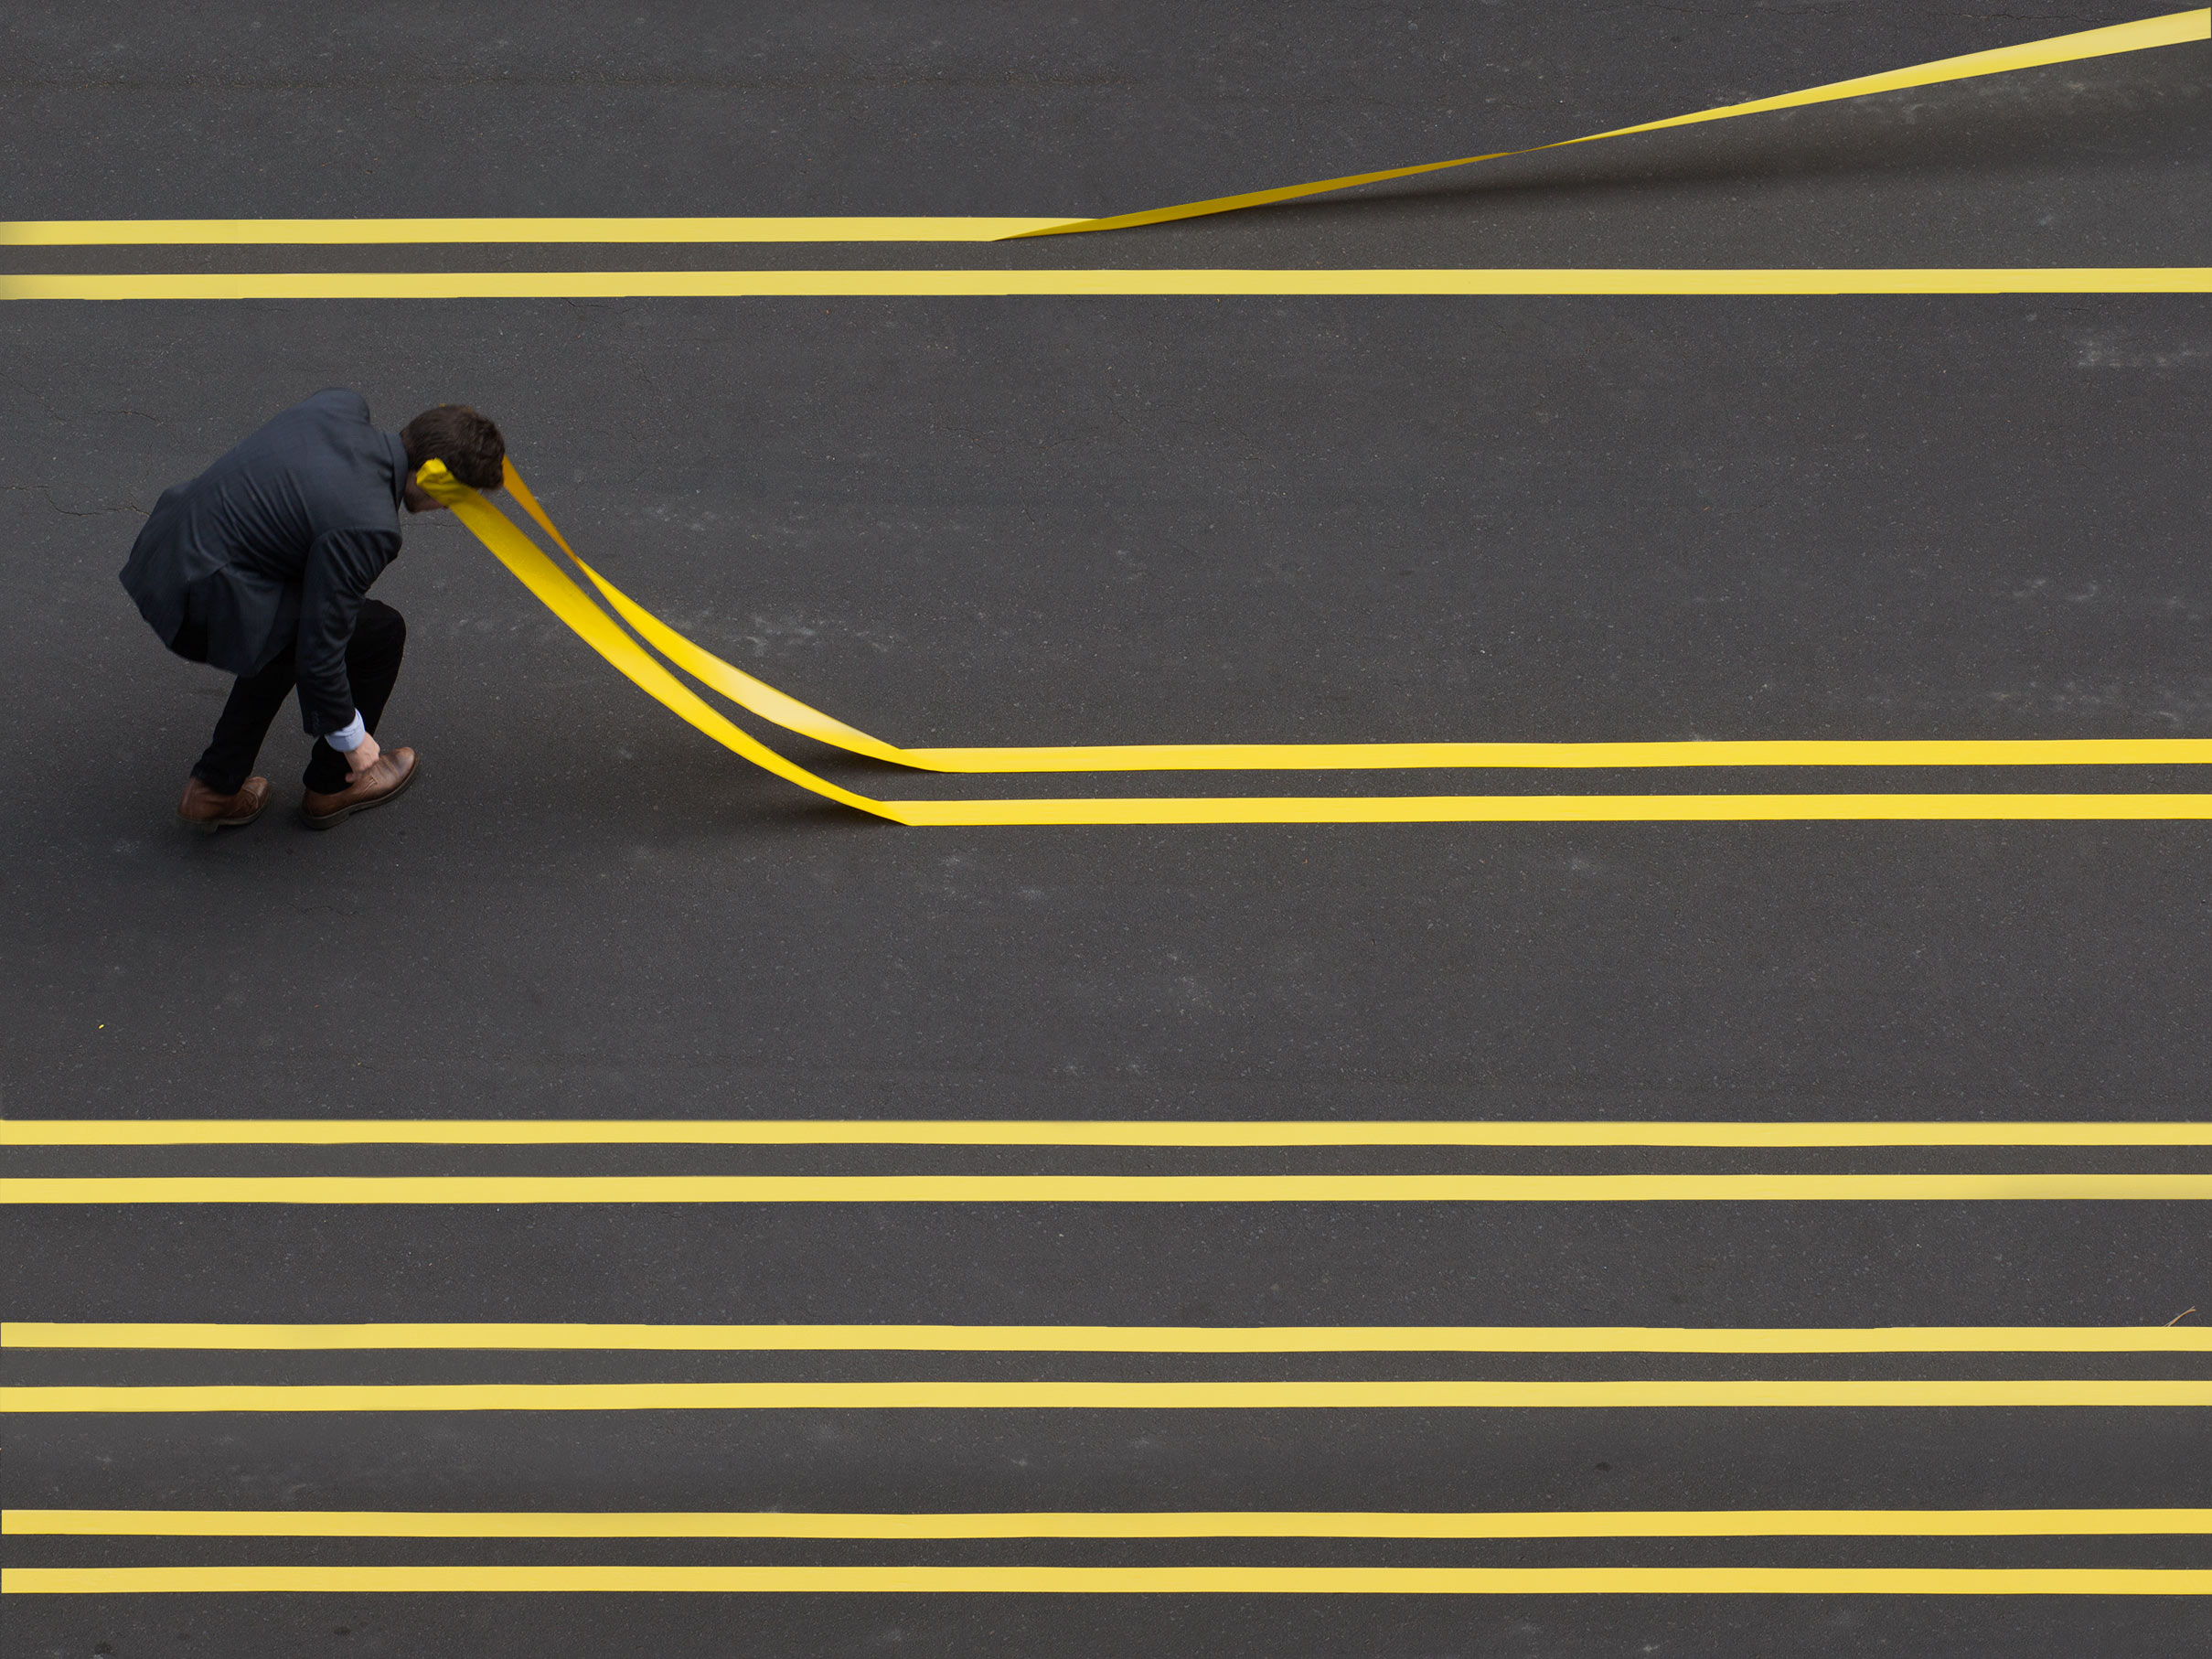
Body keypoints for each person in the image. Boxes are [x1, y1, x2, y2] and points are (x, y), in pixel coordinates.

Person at [121, 391, 505, 831]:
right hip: (200, 602)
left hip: (167, 551)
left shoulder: (338, 407)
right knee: (379, 634)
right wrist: (353, 740)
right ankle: (333, 785)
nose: (453, 508)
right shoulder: (370, 526)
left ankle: (214, 787)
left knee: (291, 615)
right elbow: (322, 648)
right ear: (435, 478)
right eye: (457, 496)